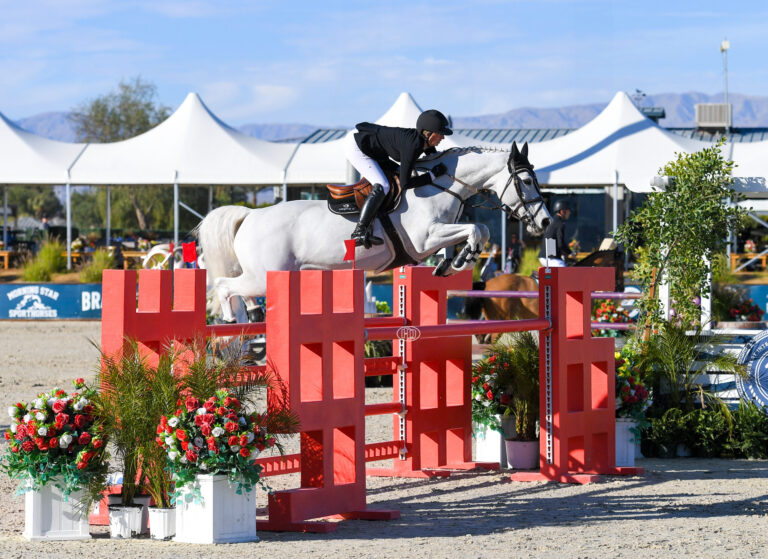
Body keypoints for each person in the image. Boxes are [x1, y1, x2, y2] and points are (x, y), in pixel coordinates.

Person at [344, 109, 452, 248]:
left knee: (393, 175)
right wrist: (431, 175)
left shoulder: (422, 142)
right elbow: (405, 183)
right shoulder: (413, 146)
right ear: (428, 133)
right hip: (357, 146)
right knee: (383, 185)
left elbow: (432, 156)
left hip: (375, 147)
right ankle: (359, 231)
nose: (443, 138)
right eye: (440, 134)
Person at [538, 199, 571, 267]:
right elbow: (560, 244)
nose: (569, 213)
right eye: (568, 211)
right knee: (565, 272)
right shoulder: (560, 224)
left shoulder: (553, 221)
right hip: (550, 258)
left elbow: (554, 242)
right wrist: (570, 253)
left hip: (547, 256)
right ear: (562, 211)